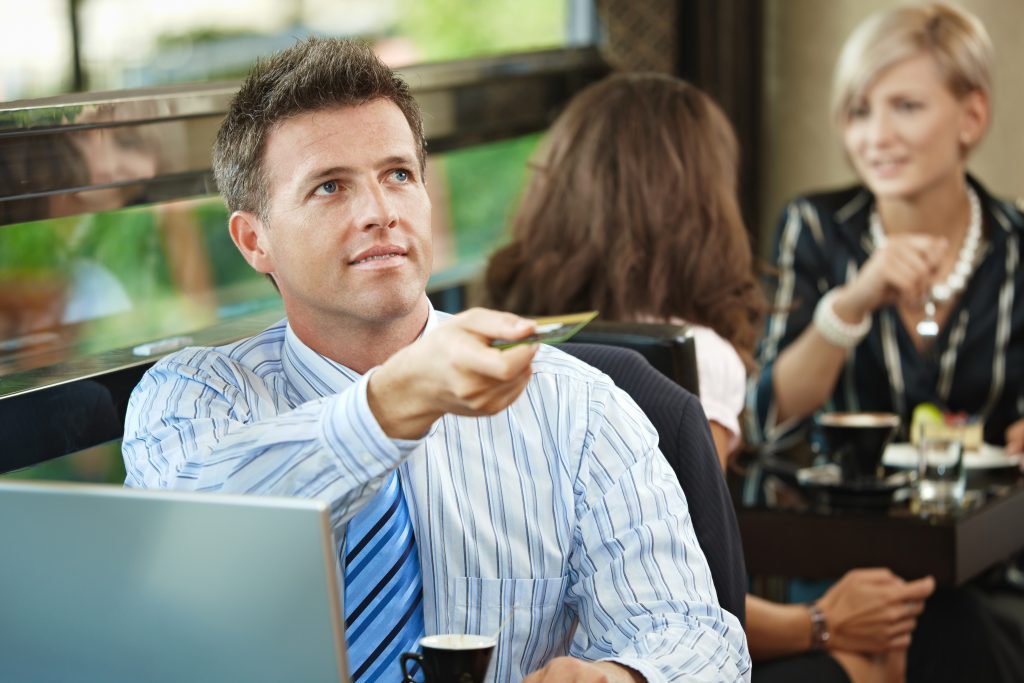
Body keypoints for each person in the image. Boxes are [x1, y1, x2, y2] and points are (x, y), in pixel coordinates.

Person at [120, 38, 750, 682]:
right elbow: (196, 548)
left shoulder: (578, 404)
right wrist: (393, 405)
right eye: (330, 187)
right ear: (255, 240)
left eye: (398, 174)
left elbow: (700, 639)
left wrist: (624, 678)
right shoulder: (195, 396)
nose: (380, 213)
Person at [483, 72, 935, 683]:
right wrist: (821, 622)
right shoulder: (696, 358)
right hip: (638, 661)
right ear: (704, 204)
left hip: (518, 656)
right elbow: (701, 595)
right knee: (873, 660)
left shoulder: (498, 341)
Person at [748, 3, 1024, 682]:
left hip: (993, 567)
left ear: (972, 117)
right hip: (839, 567)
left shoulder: (1018, 247)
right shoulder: (815, 229)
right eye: (858, 111)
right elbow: (769, 420)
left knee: (956, 622)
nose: (876, 136)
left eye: (904, 106)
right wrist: (855, 299)